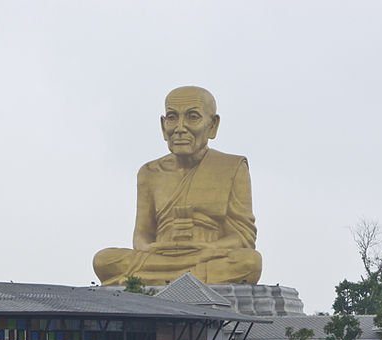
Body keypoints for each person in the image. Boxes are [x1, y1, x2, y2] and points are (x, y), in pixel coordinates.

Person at [93, 86, 262, 286]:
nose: (180, 127)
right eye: (172, 117)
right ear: (163, 126)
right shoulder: (149, 172)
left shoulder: (232, 167)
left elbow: (243, 236)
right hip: (160, 257)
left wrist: (208, 249)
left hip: (207, 256)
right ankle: (184, 280)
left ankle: (155, 280)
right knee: (103, 260)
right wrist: (150, 248)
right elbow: (142, 235)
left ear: (213, 125)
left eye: (192, 117)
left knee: (249, 262)